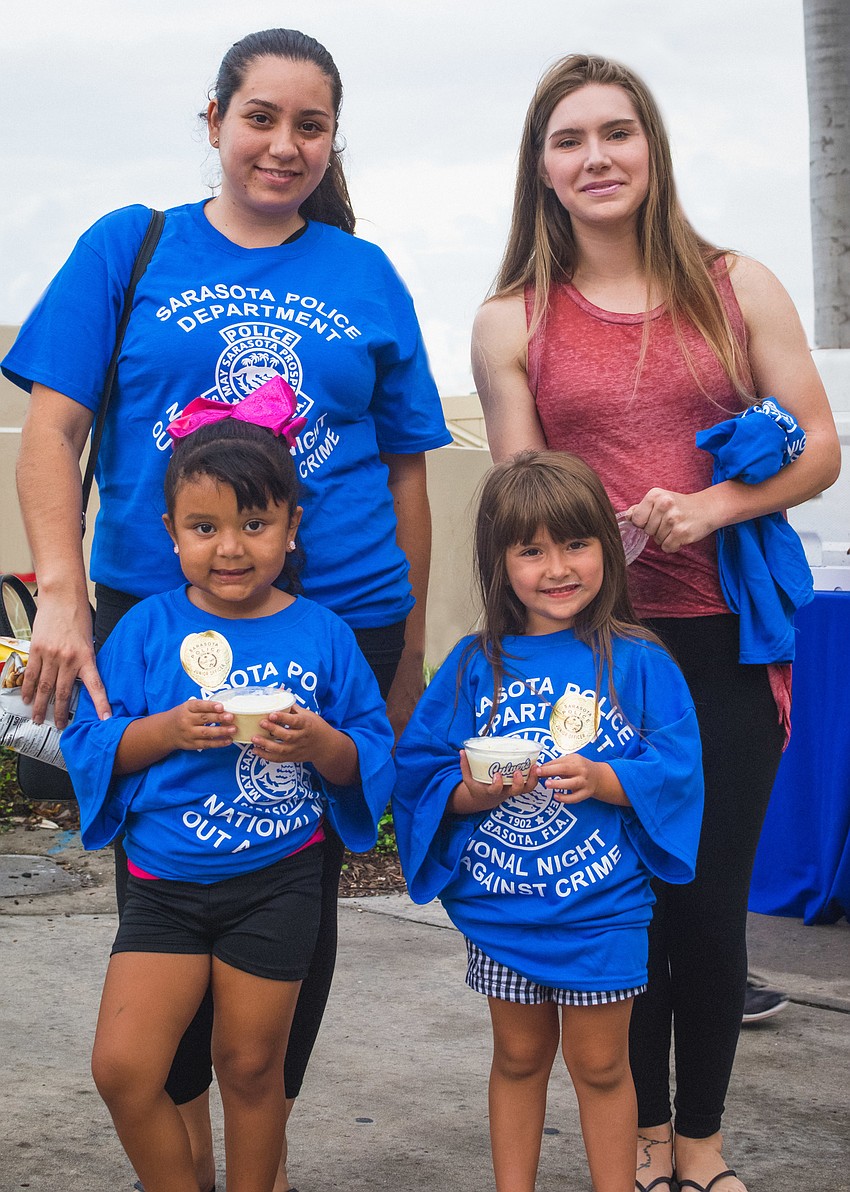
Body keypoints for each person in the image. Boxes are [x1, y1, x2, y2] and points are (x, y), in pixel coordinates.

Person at [3, 27, 450, 1192]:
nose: (283, 144)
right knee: (168, 873)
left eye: (311, 125)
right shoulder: (130, 244)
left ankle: (262, 1156)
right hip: (153, 612)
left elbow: (408, 471)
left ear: (333, 139)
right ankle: (183, 1155)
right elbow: (53, 430)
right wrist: (60, 597)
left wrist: (407, 652)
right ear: (213, 121)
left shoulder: (364, 272)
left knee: (294, 899)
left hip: (342, 622)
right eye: (260, 117)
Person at [470, 54, 840, 1192]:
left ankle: (702, 1146)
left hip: (725, 640)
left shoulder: (739, 285)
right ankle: (635, 1137)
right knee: (619, 909)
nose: (597, 157)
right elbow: (520, 503)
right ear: (540, 166)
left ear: (651, 147)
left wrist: (712, 506)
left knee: (708, 909)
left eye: (616, 132)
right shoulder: (510, 320)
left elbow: (821, 446)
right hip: (596, 660)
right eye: (570, 139)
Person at [61, 384, 394, 1192]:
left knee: (250, 1068)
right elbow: (89, 740)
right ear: (171, 532)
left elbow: (369, 751)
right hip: (164, 887)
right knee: (123, 1069)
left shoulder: (323, 634)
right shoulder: (146, 629)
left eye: (254, 524)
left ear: (292, 527)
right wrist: (166, 731)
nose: (231, 548)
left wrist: (320, 743)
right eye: (204, 528)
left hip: (277, 884)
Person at [393, 451, 704, 1192]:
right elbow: (421, 772)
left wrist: (604, 778)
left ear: (608, 548)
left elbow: (679, 769)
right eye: (530, 550)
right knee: (518, 1058)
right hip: (503, 908)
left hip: (600, 911)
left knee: (601, 1066)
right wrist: (471, 793)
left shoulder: (638, 661)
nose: (557, 568)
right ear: (499, 563)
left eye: (575, 544)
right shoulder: (474, 665)